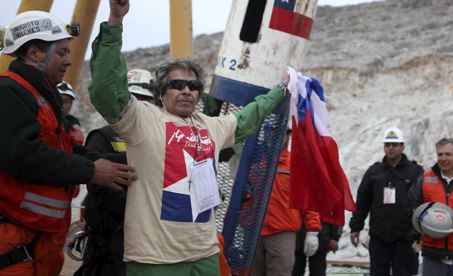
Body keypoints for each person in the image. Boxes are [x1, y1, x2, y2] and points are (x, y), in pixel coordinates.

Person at [88, 1, 291, 275]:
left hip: (205, 253)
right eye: (177, 85)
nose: (186, 90)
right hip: (156, 259)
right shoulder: (142, 119)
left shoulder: (210, 126)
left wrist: (280, 90)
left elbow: (248, 118)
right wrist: (115, 21)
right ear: (161, 92)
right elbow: (105, 89)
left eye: (193, 86)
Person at [0, 11, 136, 276]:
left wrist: (113, 161)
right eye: (62, 52)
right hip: (13, 238)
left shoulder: (39, 94)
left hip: (35, 238)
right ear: (35, 53)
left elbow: (63, 148)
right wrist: (91, 171)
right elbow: (22, 154)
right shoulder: (8, 91)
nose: (69, 61)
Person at [76, 68, 155, 276]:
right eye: (132, 99)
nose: (138, 105)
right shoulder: (102, 137)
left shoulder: (162, 140)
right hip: (110, 246)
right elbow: (103, 191)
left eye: (144, 99)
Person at [348, 127, 424, 276]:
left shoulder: (415, 171)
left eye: (394, 145)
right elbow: (363, 201)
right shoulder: (374, 171)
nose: (390, 148)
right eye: (387, 144)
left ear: (402, 146)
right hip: (379, 237)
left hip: (406, 238)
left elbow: (423, 202)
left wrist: (420, 232)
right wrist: (355, 227)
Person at [251, 129, 322, 276]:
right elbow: (244, 197)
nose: (274, 136)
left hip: (282, 233)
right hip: (253, 234)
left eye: (280, 133)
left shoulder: (296, 165)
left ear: (288, 137)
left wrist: (312, 230)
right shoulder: (254, 164)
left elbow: (308, 200)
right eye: (270, 132)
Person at [407, 138, 453, 275]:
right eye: (440, 154)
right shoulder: (425, 178)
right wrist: (423, 219)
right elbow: (411, 205)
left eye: (448, 154)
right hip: (432, 254)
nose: (443, 158)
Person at [57, 81, 85, 145]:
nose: (63, 105)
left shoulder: (77, 134)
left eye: (66, 102)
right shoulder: (43, 124)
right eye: (59, 100)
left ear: (71, 105)